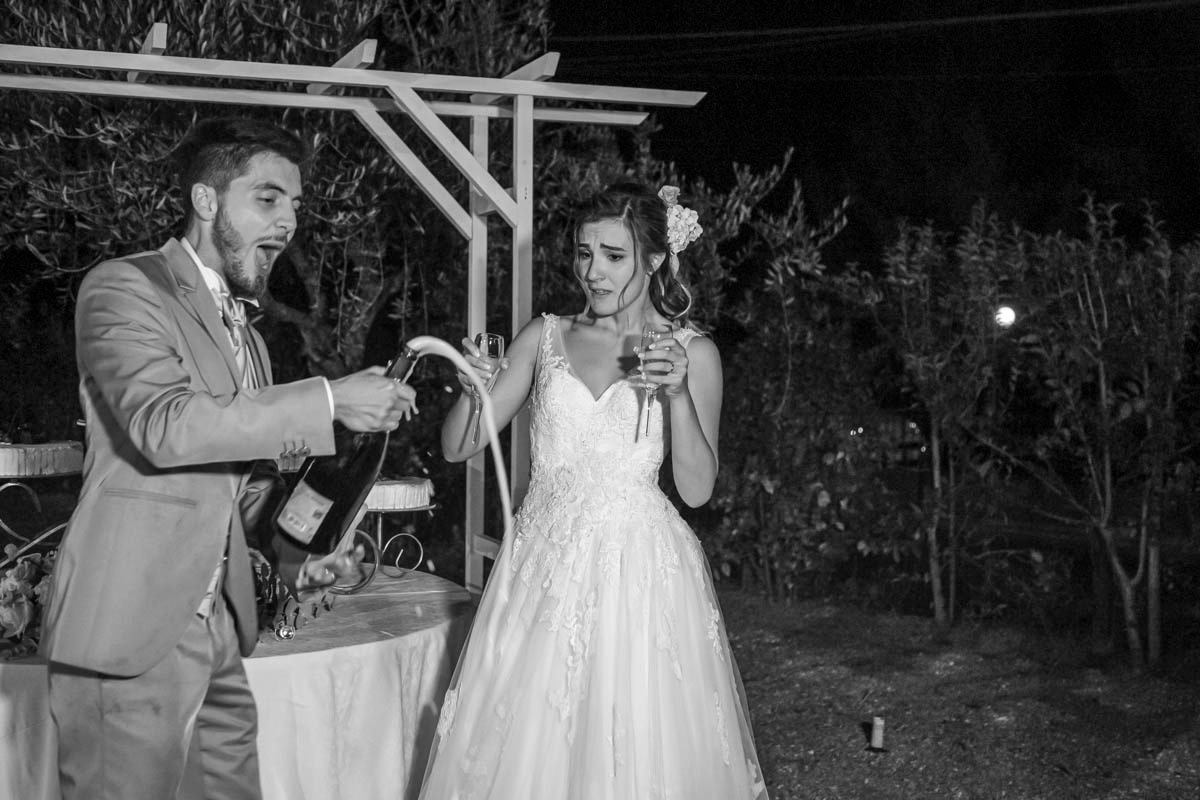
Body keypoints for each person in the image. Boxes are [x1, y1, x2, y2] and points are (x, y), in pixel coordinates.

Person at [38, 116, 417, 800]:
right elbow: (165, 426)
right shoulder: (125, 288)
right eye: (267, 199)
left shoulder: (253, 340)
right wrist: (330, 399)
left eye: (294, 204)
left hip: (217, 627)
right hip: (131, 625)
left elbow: (242, 488)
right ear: (206, 200)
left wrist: (302, 553)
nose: (288, 221)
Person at [421, 182, 769, 798]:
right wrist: (474, 387)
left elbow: (696, 491)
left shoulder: (691, 352)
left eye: (613, 255)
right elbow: (458, 446)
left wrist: (678, 394)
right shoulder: (545, 335)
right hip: (541, 572)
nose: (593, 272)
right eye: (585, 253)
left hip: (639, 576)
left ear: (654, 260)